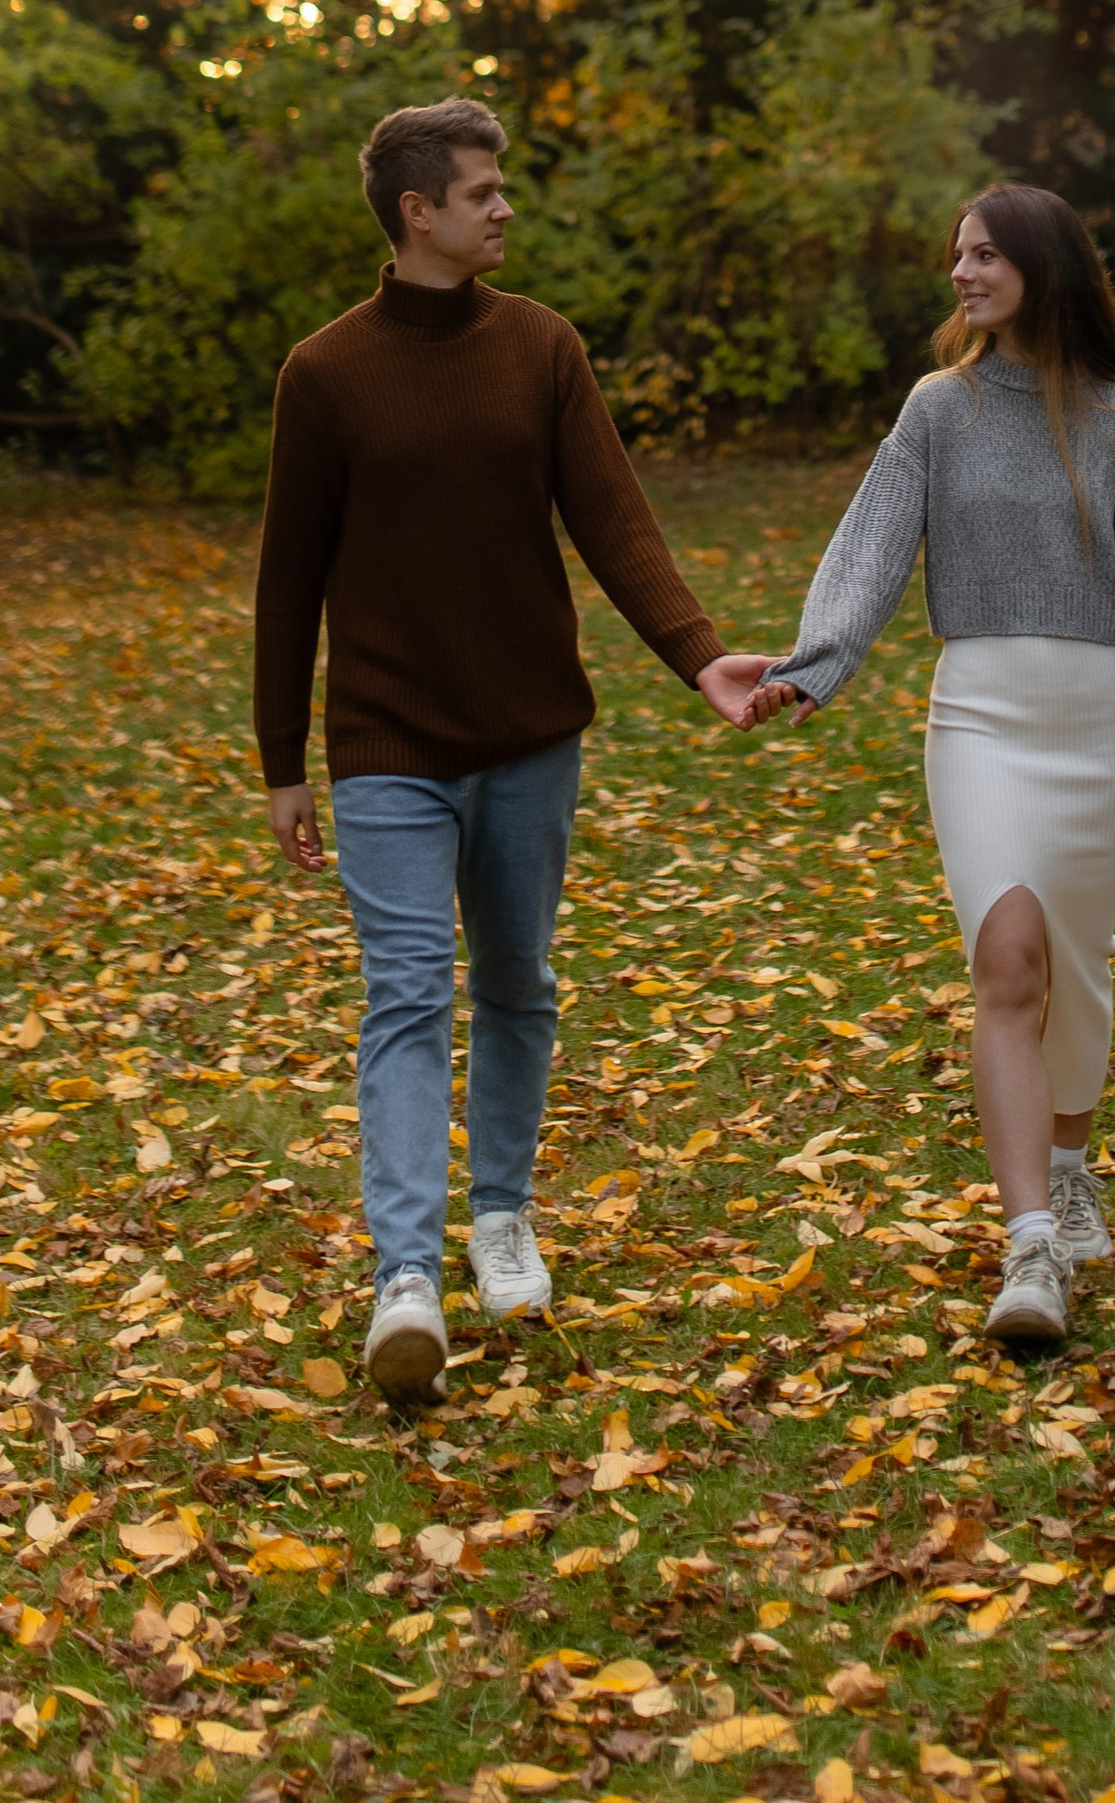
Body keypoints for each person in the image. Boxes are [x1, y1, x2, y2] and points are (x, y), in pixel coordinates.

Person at [254, 95, 779, 1400]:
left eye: (502, 189)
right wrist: (282, 761)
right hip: (385, 742)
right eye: (482, 191)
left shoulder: (542, 349)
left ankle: (501, 1220)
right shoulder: (323, 376)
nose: (504, 208)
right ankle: (404, 1280)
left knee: (518, 984)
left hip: (531, 735)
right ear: (416, 212)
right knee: (408, 994)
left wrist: (694, 650)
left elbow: (615, 518)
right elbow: (288, 582)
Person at [751, 183, 1115, 1350]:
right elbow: (871, 546)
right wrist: (814, 666)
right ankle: (1030, 1246)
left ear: (1040, 269)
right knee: (1006, 962)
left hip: (1094, 726)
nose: (961, 275)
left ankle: (1069, 1162)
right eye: (957, 256)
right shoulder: (938, 410)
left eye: (984, 257)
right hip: (980, 723)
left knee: (1077, 967)